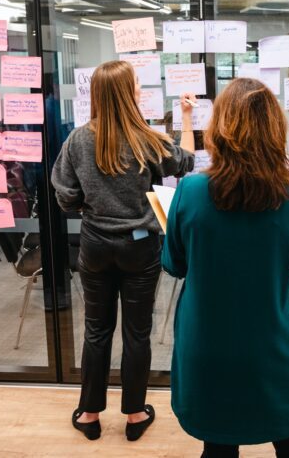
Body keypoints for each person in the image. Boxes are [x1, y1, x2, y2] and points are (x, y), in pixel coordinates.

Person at [161, 78, 289, 458]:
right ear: (275, 129)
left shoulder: (190, 192)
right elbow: (287, 268)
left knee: (218, 444)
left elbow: (174, 263)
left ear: (219, 127)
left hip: (208, 342)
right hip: (272, 342)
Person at [51, 60, 196, 441]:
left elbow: (64, 195)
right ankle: (134, 414)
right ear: (128, 93)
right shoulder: (147, 139)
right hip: (140, 247)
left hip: (95, 244)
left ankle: (89, 414)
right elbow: (186, 162)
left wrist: (89, 207)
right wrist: (185, 117)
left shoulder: (78, 139)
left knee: (96, 330)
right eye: (136, 86)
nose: (140, 91)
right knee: (137, 333)